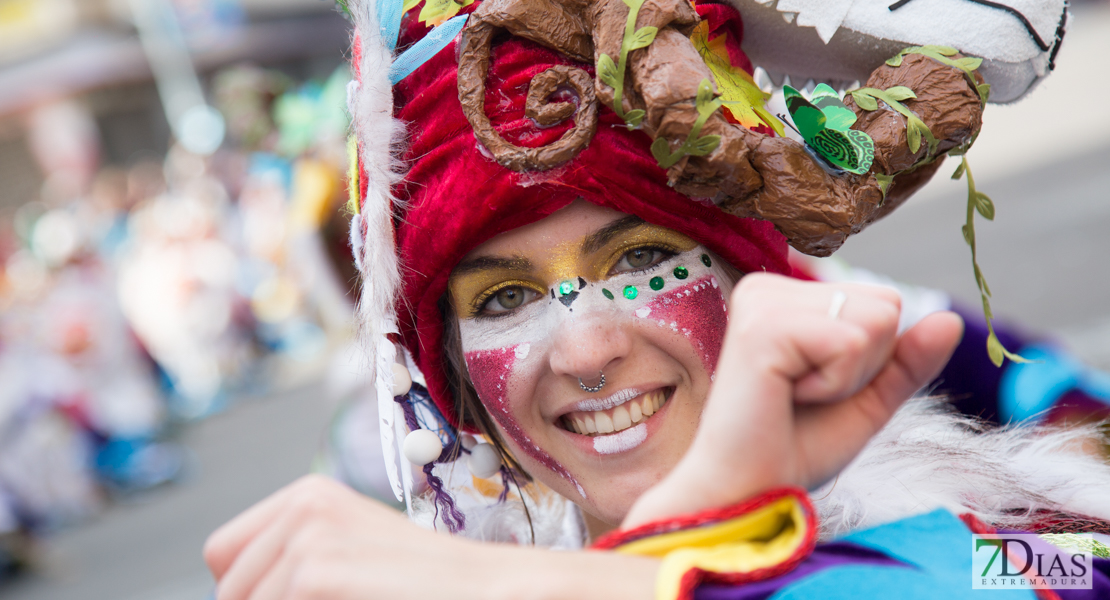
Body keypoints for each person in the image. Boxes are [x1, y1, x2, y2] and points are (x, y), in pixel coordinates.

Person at [204, 1, 1110, 598]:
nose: (586, 350)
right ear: (454, 388)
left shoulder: (988, 545)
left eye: (641, 256)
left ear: (753, 284)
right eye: (504, 298)